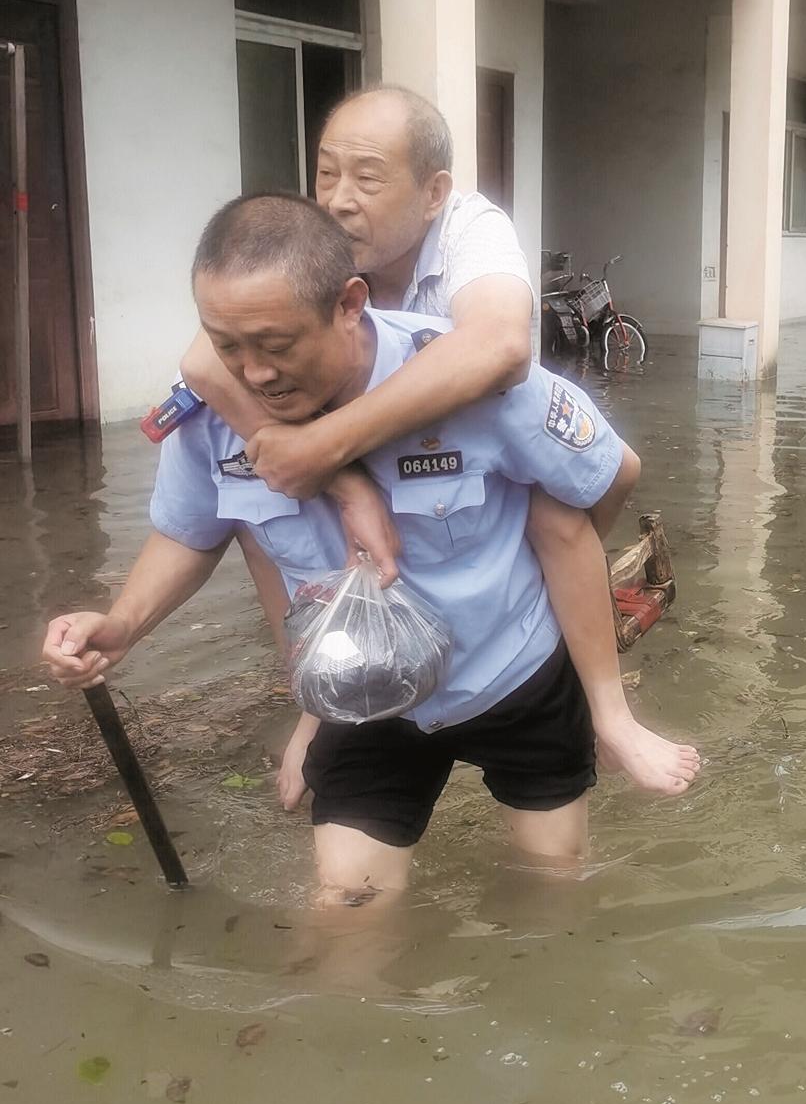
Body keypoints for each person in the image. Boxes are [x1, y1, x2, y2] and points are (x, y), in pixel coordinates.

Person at [44, 195, 646, 903]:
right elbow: (189, 533)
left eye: (275, 345)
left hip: (512, 677)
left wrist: (553, 607)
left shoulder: (465, 376)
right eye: (227, 345)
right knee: (347, 906)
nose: (255, 373)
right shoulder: (211, 415)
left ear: (349, 303)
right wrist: (121, 625)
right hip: (366, 700)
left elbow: (602, 476)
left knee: (553, 886)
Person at [180, 84, 698, 801]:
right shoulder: (316, 249)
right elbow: (205, 362)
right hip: (371, 453)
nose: (338, 198)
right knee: (267, 518)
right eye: (326, 173)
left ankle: (600, 699)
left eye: (366, 177)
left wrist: (323, 446)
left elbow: (499, 347)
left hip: (475, 436)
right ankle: (314, 704)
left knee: (566, 507)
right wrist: (335, 476)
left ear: (433, 193)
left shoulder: (469, 231)